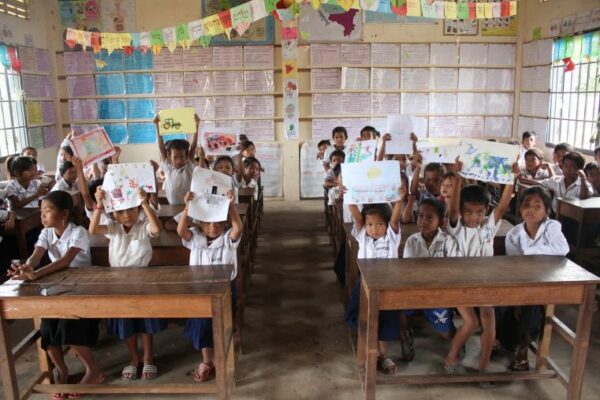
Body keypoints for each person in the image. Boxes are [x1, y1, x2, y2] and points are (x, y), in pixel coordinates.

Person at [7, 191, 105, 397]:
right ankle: (63, 371)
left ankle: (93, 370)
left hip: (83, 287)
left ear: (64, 213)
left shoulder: (78, 232)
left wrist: (35, 274)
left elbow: (64, 262)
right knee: (48, 330)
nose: (42, 216)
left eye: (47, 211)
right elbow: (36, 255)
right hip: (59, 288)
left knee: (69, 326)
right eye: (41, 211)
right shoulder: (46, 232)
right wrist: (26, 268)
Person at [443, 158, 518, 384]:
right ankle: (451, 358)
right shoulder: (456, 227)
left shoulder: (488, 226)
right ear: (462, 212)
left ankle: (483, 369)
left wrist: (512, 178)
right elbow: (454, 206)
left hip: (484, 281)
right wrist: (456, 177)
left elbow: (503, 205)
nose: (474, 216)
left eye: (479, 212)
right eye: (469, 212)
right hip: (459, 281)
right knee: (471, 322)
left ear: (486, 211)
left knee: (488, 320)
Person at [89, 186, 165, 381]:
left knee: (145, 321)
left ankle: (148, 357)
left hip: (143, 280)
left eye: (131, 209)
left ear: (138, 210)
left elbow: (156, 228)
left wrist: (145, 203)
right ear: (114, 214)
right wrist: (98, 205)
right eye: (120, 211)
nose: (127, 215)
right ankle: (134, 358)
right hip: (119, 281)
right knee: (126, 323)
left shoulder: (143, 226)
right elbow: (93, 229)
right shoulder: (113, 228)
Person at [499, 186, 569, 371]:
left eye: (537, 206)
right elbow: (514, 266)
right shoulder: (514, 234)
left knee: (531, 308)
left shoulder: (552, 227)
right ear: (520, 208)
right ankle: (505, 341)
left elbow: (562, 249)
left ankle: (522, 350)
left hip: (546, 282)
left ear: (547, 211)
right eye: (526, 205)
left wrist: (529, 252)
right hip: (521, 281)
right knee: (502, 305)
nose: (530, 209)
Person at [176, 190, 242, 382]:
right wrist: (187, 208)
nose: (213, 227)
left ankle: (221, 359)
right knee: (201, 325)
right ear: (200, 223)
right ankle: (207, 361)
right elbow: (181, 231)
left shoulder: (229, 239)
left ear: (225, 223)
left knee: (222, 325)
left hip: (225, 289)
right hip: (199, 289)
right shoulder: (195, 237)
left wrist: (231, 206)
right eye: (208, 223)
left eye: (218, 223)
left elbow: (238, 228)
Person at [345, 197, 403, 374]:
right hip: (365, 285)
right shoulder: (363, 237)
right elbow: (357, 217)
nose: (374, 229)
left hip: (387, 286)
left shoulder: (392, 237)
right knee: (364, 318)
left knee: (385, 320)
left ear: (386, 225)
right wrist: (350, 196)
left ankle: (384, 354)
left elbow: (395, 218)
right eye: (370, 224)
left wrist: (399, 200)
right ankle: (369, 352)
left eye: (379, 224)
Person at [403, 198, 461, 359]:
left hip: (438, 293)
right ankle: (405, 335)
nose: (424, 221)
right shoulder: (412, 241)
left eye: (430, 218)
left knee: (447, 334)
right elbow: (408, 271)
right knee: (398, 309)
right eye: (421, 216)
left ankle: (453, 333)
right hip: (415, 290)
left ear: (441, 222)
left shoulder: (448, 240)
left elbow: (454, 267)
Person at [517, 151, 592, 213]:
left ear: (579, 169)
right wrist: (522, 179)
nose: (567, 170)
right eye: (565, 166)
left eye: (572, 167)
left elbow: (584, 197)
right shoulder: (556, 180)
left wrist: (583, 179)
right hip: (556, 214)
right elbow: (538, 182)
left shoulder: (584, 184)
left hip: (574, 218)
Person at [153, 114, 200, 205]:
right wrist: (157, 126)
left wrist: (196, 126)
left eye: (182, 157)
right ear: (169, 157)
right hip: (172, 206)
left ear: (186, 156)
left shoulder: (189, 166)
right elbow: (162, 148)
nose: (179, 160)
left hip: (188, 206)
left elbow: (193, 148)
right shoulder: (168, 166)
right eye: (175, 157)